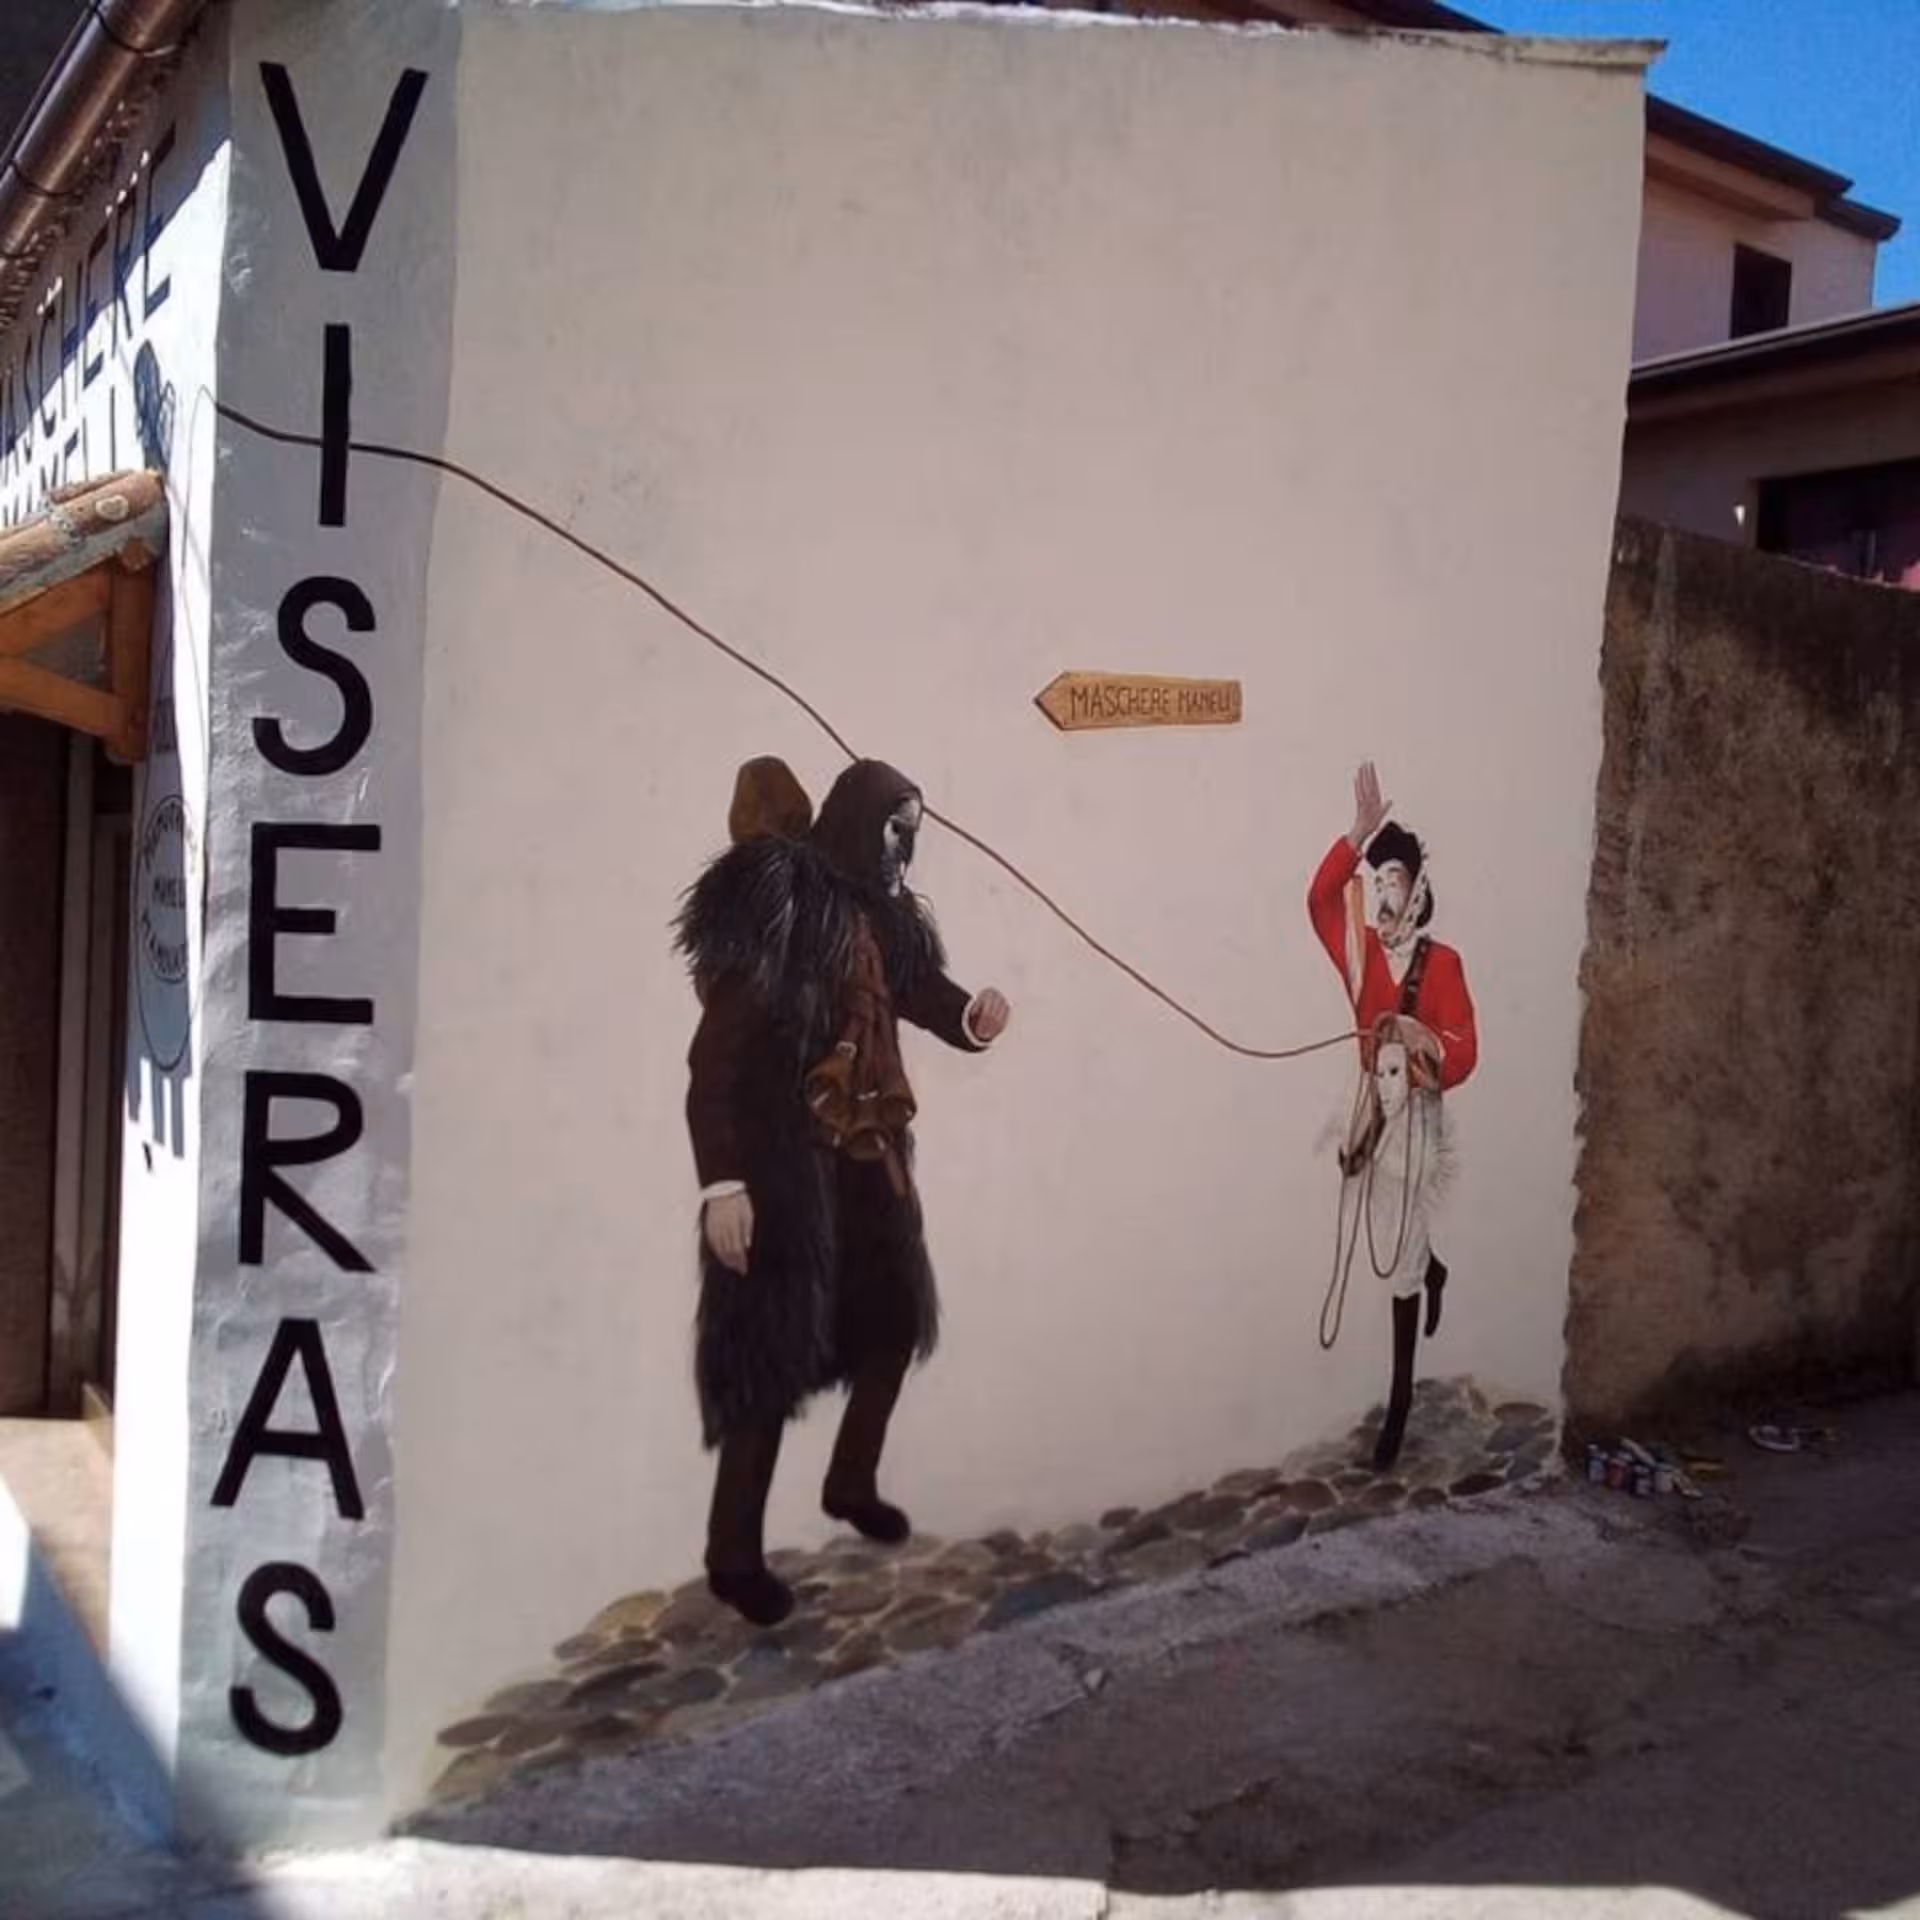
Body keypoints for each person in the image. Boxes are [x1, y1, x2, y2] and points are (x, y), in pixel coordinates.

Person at [674, 759, 1011, 1626]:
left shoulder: (884, 921)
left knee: (892, 1324)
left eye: (916, 830)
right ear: (864, 825)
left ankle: (850, 1483)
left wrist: (971, 1018)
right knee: (768, 1363)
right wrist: (723, 1183)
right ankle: (732, 1557)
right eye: (897, 827)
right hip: (784, 1165)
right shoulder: (789, 918)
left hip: (867, 1161)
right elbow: (714, 1061)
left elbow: (919, 992)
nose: (908, 846)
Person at [1309, 761, 1477, 1469]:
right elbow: (1319, 900)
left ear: (1418, 888)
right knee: (1383, 1236)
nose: (1382, 894)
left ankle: (1401, 1401)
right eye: (1376, 883)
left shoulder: (1443, 965)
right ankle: (1433, 1267)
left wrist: (1423, 1041)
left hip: (1417, 1116)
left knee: (1398, 1261)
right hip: (1368, 1109)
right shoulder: (1363, 954)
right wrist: (1356, 838)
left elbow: (1465, 1054)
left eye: (1393, 881)